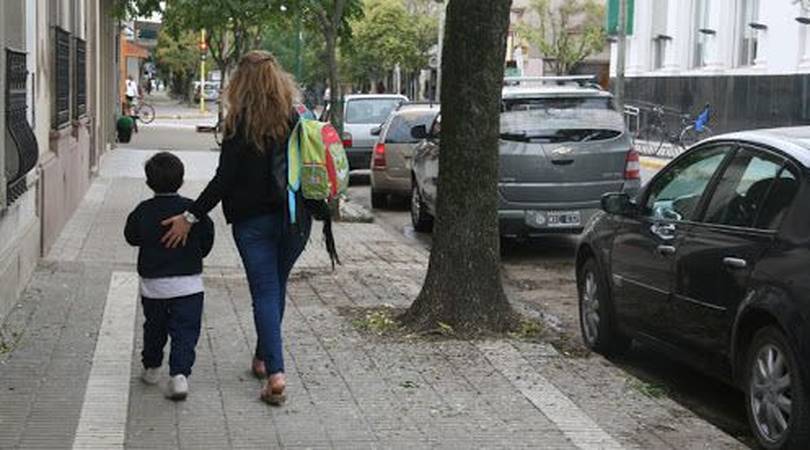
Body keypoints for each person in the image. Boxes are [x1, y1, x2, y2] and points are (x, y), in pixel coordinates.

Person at [160, 50, 312, 406]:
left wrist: (190, 216)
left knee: (266, 292)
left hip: (253, 224)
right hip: (295, 220)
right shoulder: (296, 117)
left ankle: (276, 375)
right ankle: (263, 359)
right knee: (275, 287)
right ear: (278, 79)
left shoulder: (239, 124)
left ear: (241, 82)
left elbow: (223, 180)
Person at [124, 152, 215, 401]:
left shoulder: (143, 210)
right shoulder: (192, 212)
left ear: (148, 182)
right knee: (185, 331)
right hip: (189, 286)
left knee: (154, 327)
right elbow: (207, 240)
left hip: (154, 286)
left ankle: (152, 367)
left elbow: (131, 237)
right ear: (182, 180)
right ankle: (179, 376)